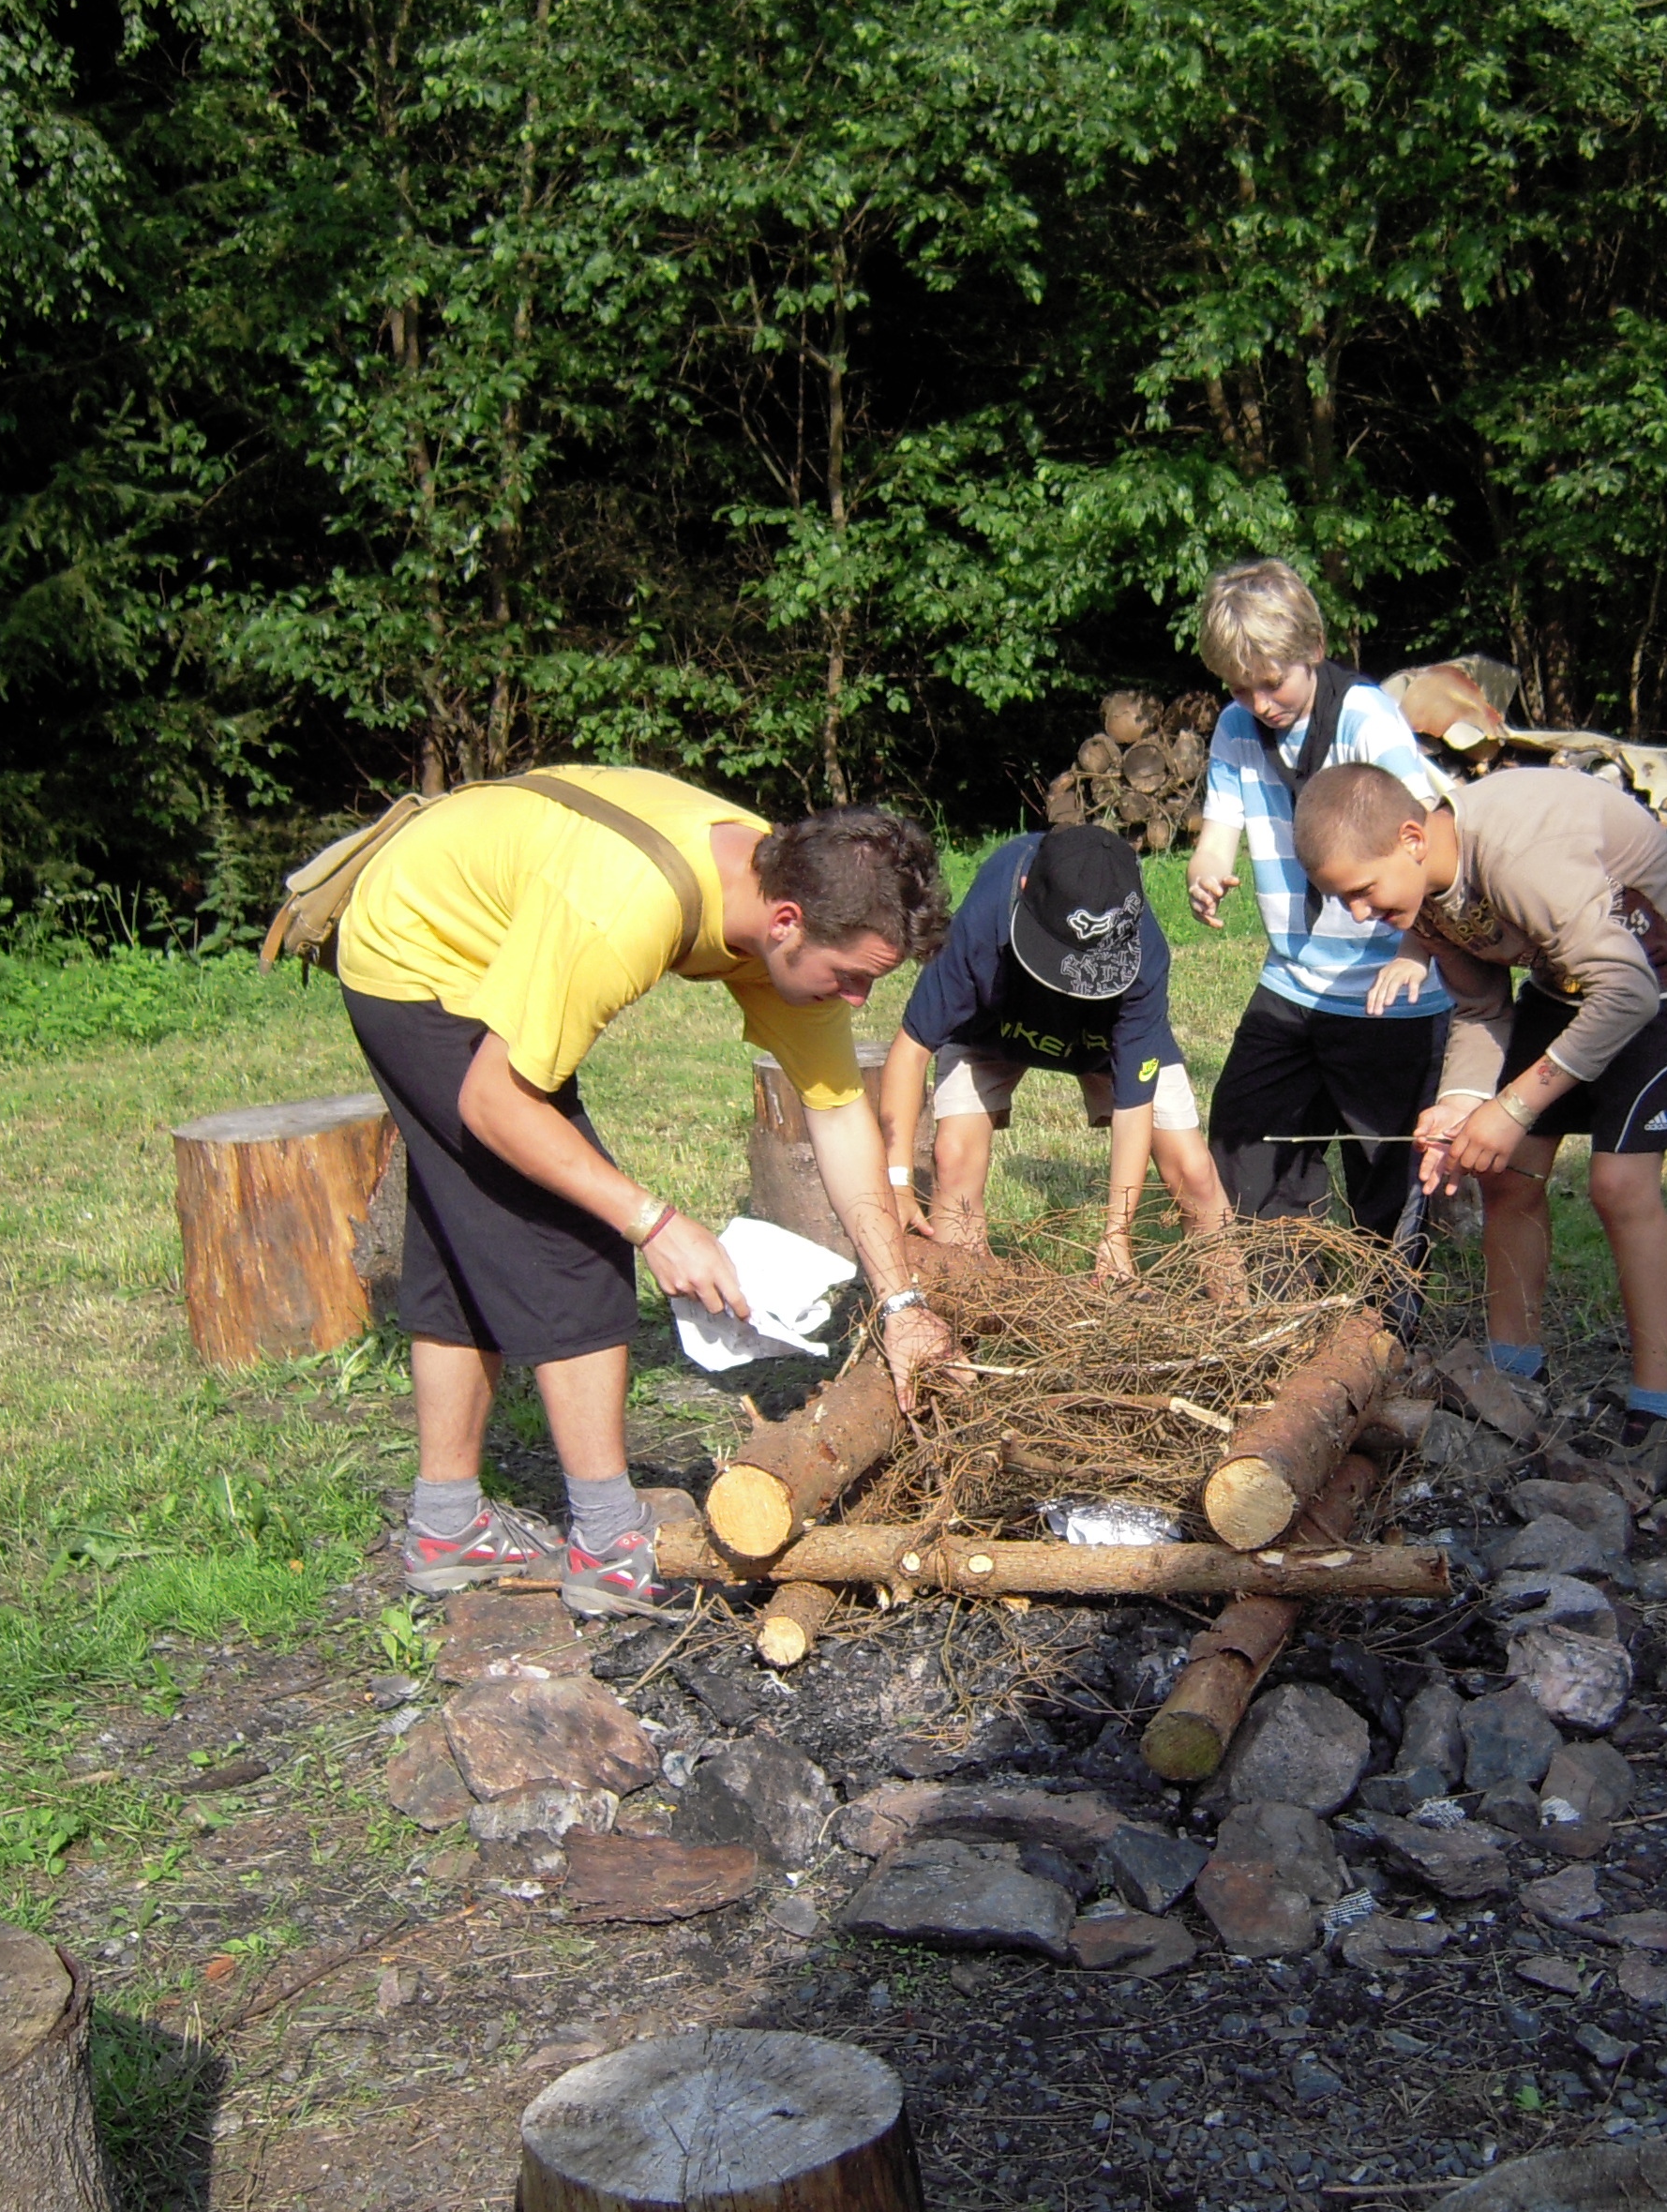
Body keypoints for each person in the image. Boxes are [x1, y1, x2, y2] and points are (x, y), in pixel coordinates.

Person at [336, 769, 964, 1604]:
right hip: (420, 950)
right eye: (850, 977)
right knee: (573, 1237)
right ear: (786, 922)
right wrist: (656, 1224)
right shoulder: (625, 908)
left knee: (468, 1227)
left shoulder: (794, 902)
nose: (857, 999)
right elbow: (493, 1103)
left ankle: (448, 1526)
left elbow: (840, 1114)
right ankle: (610, 1549)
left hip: (496, 924)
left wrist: (900, 1304)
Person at [1292, 759, 1667, 1472]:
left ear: (1411, 839)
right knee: (1507, 1171)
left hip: (1661, 978)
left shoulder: (1521, 861)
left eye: (1363, 892)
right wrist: (1463, 1105)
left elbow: (1627, 993)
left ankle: (1657, 1407)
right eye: (1344, 900)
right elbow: (1480, 1006)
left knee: (1619, 1186)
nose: (1360, 915)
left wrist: (1514, 1105)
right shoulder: (1426, 891)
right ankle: (1513, 1375)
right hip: (1569, 975)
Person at [1182, 559, 1452, 1267]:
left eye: (1272, 682)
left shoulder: (1366, 719)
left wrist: (1415, 952)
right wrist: (1206, 871)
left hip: (1388, 989)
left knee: (1387, 1172)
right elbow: (1219, 830)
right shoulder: (1236, 727)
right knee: (1245, 1139)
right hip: (1293, 980)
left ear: (1315, 649)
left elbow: (1421, 839)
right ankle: (1284, 1297)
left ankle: (1386, 1309)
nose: (1259, 702)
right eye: (1239, 686)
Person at [881, 822, 1233, 1278]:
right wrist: (897, 1181)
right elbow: (911, 1048)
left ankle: (1234, 1310)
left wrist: (1117, 1234)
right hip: (996, 1019)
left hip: (1101, 1033)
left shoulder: (1143, 955)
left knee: (1193, 1171)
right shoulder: (984, 919)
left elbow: (1134, 1103)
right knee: (953, 1157)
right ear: (1026, 888)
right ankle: (963, 1301)